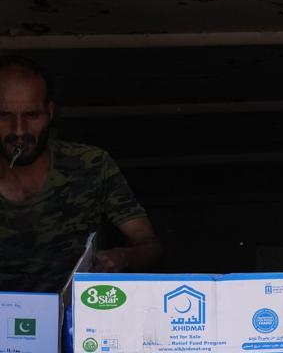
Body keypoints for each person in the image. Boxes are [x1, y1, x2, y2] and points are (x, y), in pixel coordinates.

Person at [0, 55, 162, 292]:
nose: (19, 130)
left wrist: (123, 257)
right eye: (4, 115)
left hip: (77, 311)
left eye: (32, 115)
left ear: (50, 113)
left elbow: (150, 245)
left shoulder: (91, 165)